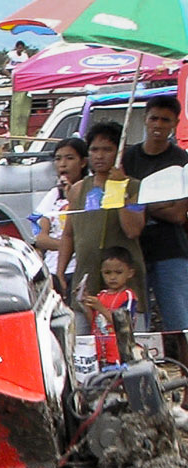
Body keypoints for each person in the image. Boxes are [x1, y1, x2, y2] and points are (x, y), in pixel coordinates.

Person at [57, 122, 147, 330]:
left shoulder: (134, 187)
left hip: (123, 281)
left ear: (119, 152)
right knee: (84, 340)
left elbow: (133, 229)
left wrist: (119, 189)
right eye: (94, 150)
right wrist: (61, 270)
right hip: (87, 278)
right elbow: (69, 234)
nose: (99, 156)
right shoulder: (78, 189)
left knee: (127, 337)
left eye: (107, 150)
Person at [122, 94, 188, 370]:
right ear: (145, 119)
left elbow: (178, 214)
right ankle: (141, 376)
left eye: (165, 120)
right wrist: (157, 204)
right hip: (132, 251)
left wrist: (140, 203)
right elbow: (120, 200)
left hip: (171, 250)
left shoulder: (181, 160)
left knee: (179, 322)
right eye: (154, 118)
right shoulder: (127, 157)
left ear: (175, 123)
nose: (158, 125)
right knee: (136, 321)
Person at [32, 137, 88, 293]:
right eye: (58, 159)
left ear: (83, 162)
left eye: (69, 158)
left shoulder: (90, 191)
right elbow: (41, 238)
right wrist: (67, 246)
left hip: (79, 268)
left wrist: (72, 197)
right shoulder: (54, 194)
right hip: (53, 268)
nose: (63, 164)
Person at [82, 245, 140, 366]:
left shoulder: (128, 295)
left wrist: (101, 308)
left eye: (118, 272)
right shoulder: (101, 295)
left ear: (130, 273)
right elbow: (94, 321)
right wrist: (85, 304)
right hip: (99, 351)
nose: (112, 277)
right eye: (107, 273)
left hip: (119, 353)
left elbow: (125, 325)